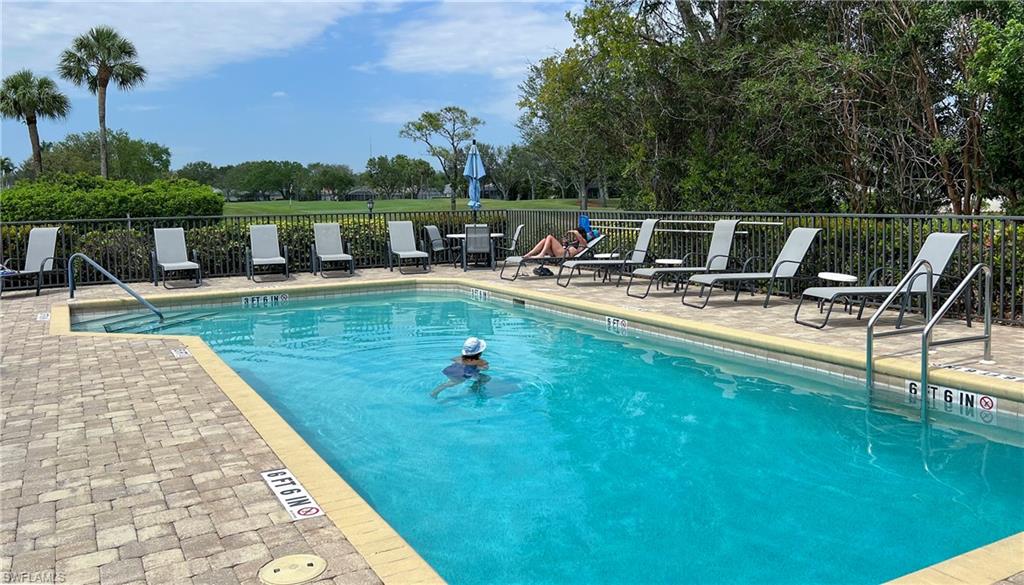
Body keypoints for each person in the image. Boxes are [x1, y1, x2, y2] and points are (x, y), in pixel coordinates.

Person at [522, 227, 591, 259]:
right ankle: (529, 254)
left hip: (565, 255)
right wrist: (565, 243)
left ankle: (542, 254)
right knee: (545, 240)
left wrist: (573, 231)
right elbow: (566, 247)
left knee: (550, 237)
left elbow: (579, 237)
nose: (574, 236)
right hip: (562, 253)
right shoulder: (575, 242)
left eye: (575, 235)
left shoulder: (583, 242)